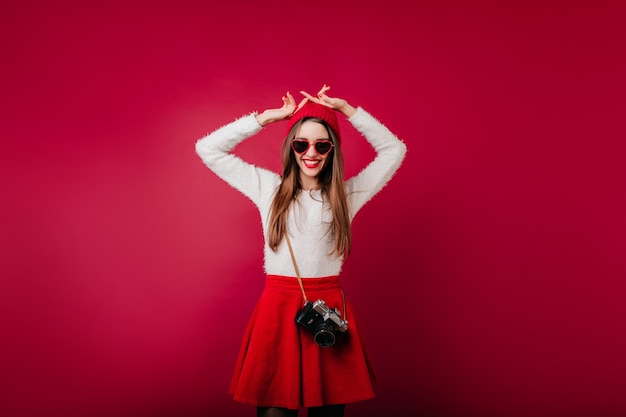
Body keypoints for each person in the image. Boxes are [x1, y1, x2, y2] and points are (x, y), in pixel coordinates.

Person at [195, 85, 407, 417]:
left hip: (328, 308)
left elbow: (394, 150)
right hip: (276, 310)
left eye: (322, 144)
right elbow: (208, 149)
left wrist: (349, 111)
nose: (311, 152)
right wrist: (266, 118)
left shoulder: (346, 197)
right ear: (291, 147)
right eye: (301, 143)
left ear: (332, 150)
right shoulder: (268, 188)